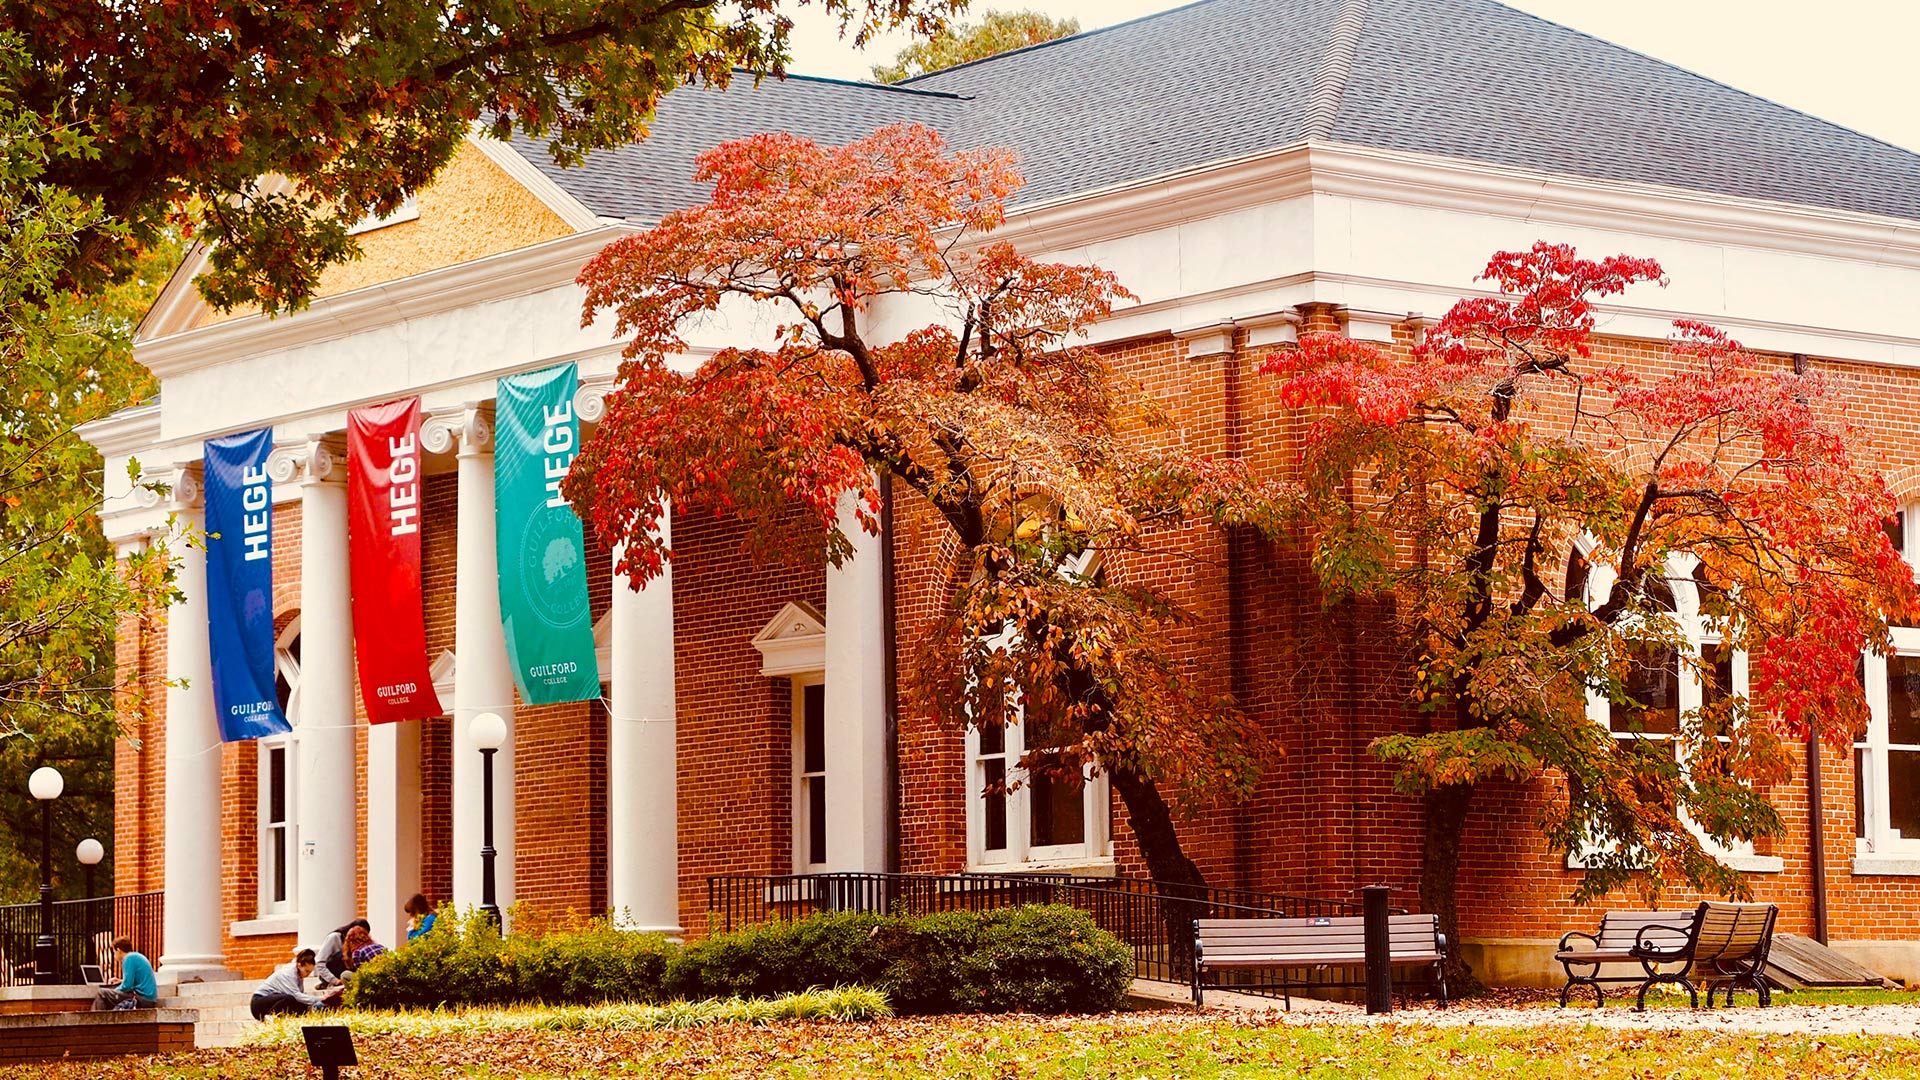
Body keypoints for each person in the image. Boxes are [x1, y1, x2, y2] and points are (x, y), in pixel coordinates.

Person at [251, 948, 344, 1020]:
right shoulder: (288, 974)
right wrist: (319, 999)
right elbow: (296, 995)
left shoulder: (298, 975)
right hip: (259, 1002)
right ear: (299, 965)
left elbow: (301, 998)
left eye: (310, 972)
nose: (307, 974)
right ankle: (270, 1016)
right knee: (289, 998)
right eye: (306, 971)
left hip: (274, 999)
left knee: (300, 1005)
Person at [91, 937, 157, 1011]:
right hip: (148, 998)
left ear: (118, 950)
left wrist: (115, 991)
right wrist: (121, 981)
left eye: (114, 952)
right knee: (109, 992)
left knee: (102, 993)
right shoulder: (136, 956)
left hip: (142, 999)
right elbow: (135, 981)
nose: (114, 956)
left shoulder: (128, 958)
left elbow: (127, 986)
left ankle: (97, 1020)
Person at [314, 918, 370, 987]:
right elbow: (320, 962)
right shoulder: (334, 938)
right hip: (331, 973)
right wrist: (334, 980)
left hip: (346, 972)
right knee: (345, 954)